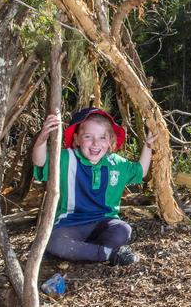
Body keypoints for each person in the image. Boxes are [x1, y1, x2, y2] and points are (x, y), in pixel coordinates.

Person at [32, 107, 158, 266]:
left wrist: (147, 146)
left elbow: (140, 171)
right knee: (56, 243)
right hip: (71, 224)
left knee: (123, 230)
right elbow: (39, 162)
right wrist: (42, 139)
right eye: (88, 137)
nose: (95, 143)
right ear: (77, 139)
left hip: (103, 223)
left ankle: (84, 251)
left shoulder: (115, 163)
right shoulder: (66, 158)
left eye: (102, 138)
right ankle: (107, 253)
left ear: (110, 140)